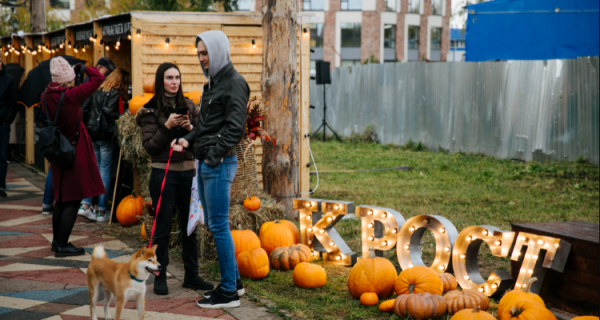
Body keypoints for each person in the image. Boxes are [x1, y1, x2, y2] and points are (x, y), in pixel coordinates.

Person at [172, 30, 249, 309]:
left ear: (218, 51)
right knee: (215, 225)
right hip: (205, 162)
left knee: (218, 225)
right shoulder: (211, 84)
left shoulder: (235, 83)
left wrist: (214, 156)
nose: (201, 59)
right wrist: (187, 140)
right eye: (199, 54)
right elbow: (204, 127)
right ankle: (235, 283)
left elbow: (236, 128)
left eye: (205, 53)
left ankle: (228, 292)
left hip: (218, 164)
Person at [136, 62, 213, 296]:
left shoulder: (190, 105)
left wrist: (191, 128)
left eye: (177, 77)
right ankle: (160, 277)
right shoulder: (149, 110)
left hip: (189, 172)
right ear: (161, 81)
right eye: (169, 78)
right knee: (162, 227)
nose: (174, 82)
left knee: (189, 226)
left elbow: (203, 138)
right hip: (163, 173)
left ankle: (191, 275)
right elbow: (150, 147)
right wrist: (168, 126)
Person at [42, 57, 105, 257]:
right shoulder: (71, 96)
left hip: (57, 149)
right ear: (67, 78)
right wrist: (84, 68)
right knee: (73, 198)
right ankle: (62, 245)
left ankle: (56, 241)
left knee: (60, 198)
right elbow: (98, 78)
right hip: (74, 150)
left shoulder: (45, 96)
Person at [79, 68, 129, 222]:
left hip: (92, 134)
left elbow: (83, 110)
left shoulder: (96, 90)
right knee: (105, 171)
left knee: (95, 168)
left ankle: (85, 205)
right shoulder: (115, 94)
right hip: (107, 136)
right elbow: (114, 116)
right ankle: (101, 211)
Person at [0, 58, 17, 198]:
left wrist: (7, 120)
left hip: (3, 124)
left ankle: (0, 185)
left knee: (2, 156)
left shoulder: (8, 79)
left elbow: (13, 101)